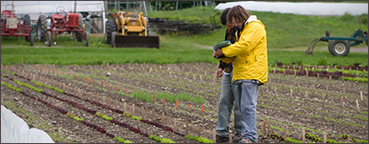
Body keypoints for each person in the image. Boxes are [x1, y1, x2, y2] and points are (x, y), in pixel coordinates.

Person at [214, 5, 268, 143]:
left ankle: (249, 137)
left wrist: (224, 52)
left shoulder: (255, 27)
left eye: (235, 22)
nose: (234, 25)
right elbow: (237, 53)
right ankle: (245, 136)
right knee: (242, 106)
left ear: (241, 17)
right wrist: (221, 57)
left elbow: (244, 46)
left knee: (247, 107)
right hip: (241, 72)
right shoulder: (241, 30)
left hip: (251, 72)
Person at [215, 8, 243, 143]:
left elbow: (239, 49)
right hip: (229, 69)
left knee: (239, 104)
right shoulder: (230, 30)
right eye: (228, 26)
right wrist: (221, 66)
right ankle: (221, 133)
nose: (230, 27)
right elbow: (226, 48)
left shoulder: (245, 30)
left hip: (240, 70)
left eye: (230, 25)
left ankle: (240, 133)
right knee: (224, 101)